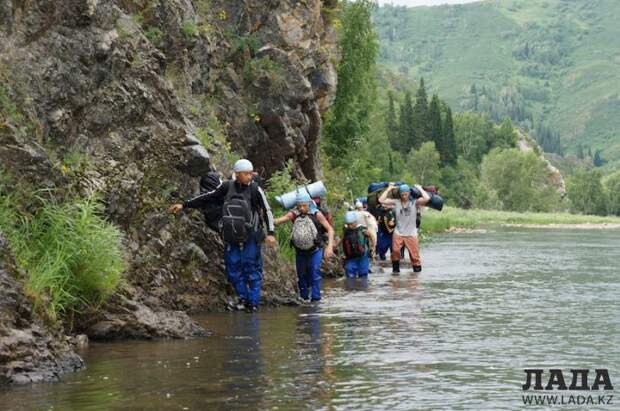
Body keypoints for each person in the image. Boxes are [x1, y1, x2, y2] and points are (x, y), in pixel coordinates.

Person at [168, 159, 277, 312]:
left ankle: (252, 303)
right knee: (233, 268)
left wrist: (270, 233)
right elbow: (208, 197)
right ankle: (244, 298)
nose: (250, 176)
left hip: (252, 234)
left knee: (250, 267)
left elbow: (267, 211)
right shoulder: (226, 186)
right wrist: (184, 205)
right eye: (246, 174)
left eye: (251, 173)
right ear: (237, 174)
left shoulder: (255, 189)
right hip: (231, 233)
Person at [274, 191, 334, 302]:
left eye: (304, 205)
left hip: (315, 250)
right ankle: (304, 299)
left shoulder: (317, 214)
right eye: (299, 206)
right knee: (301, 276)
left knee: (314, 273)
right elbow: (280, 220)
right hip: (300, 252)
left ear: (309, 203)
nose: (301, 208)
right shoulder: (294, 213)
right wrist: (270, 221)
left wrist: (329, 246)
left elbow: (330, 229)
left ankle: (316, 300)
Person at [379, 183, 430, 274]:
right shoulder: (396, 202)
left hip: (411, 233)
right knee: (395, 252)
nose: (404, 196)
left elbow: (427, 199)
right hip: (398, 232)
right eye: (402, 194)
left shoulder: (415, 202)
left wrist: (420, 188)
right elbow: (381, 200)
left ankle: (417, 275)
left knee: (415, 256)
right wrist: (389, 189)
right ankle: (395, 272)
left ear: (409, 193)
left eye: (406, 194)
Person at [342, 211, 376, 278]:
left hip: (363, 255)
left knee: (363, 274)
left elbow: (371, 236)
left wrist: (373, 246)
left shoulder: (362, 229)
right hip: (350, 257)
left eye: (351, 224)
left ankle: (361, 287)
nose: (349, 226)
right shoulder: (346, 231)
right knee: (350, 274)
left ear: (355, 222)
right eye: (348, 224)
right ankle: (351, 287)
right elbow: (342, 239)